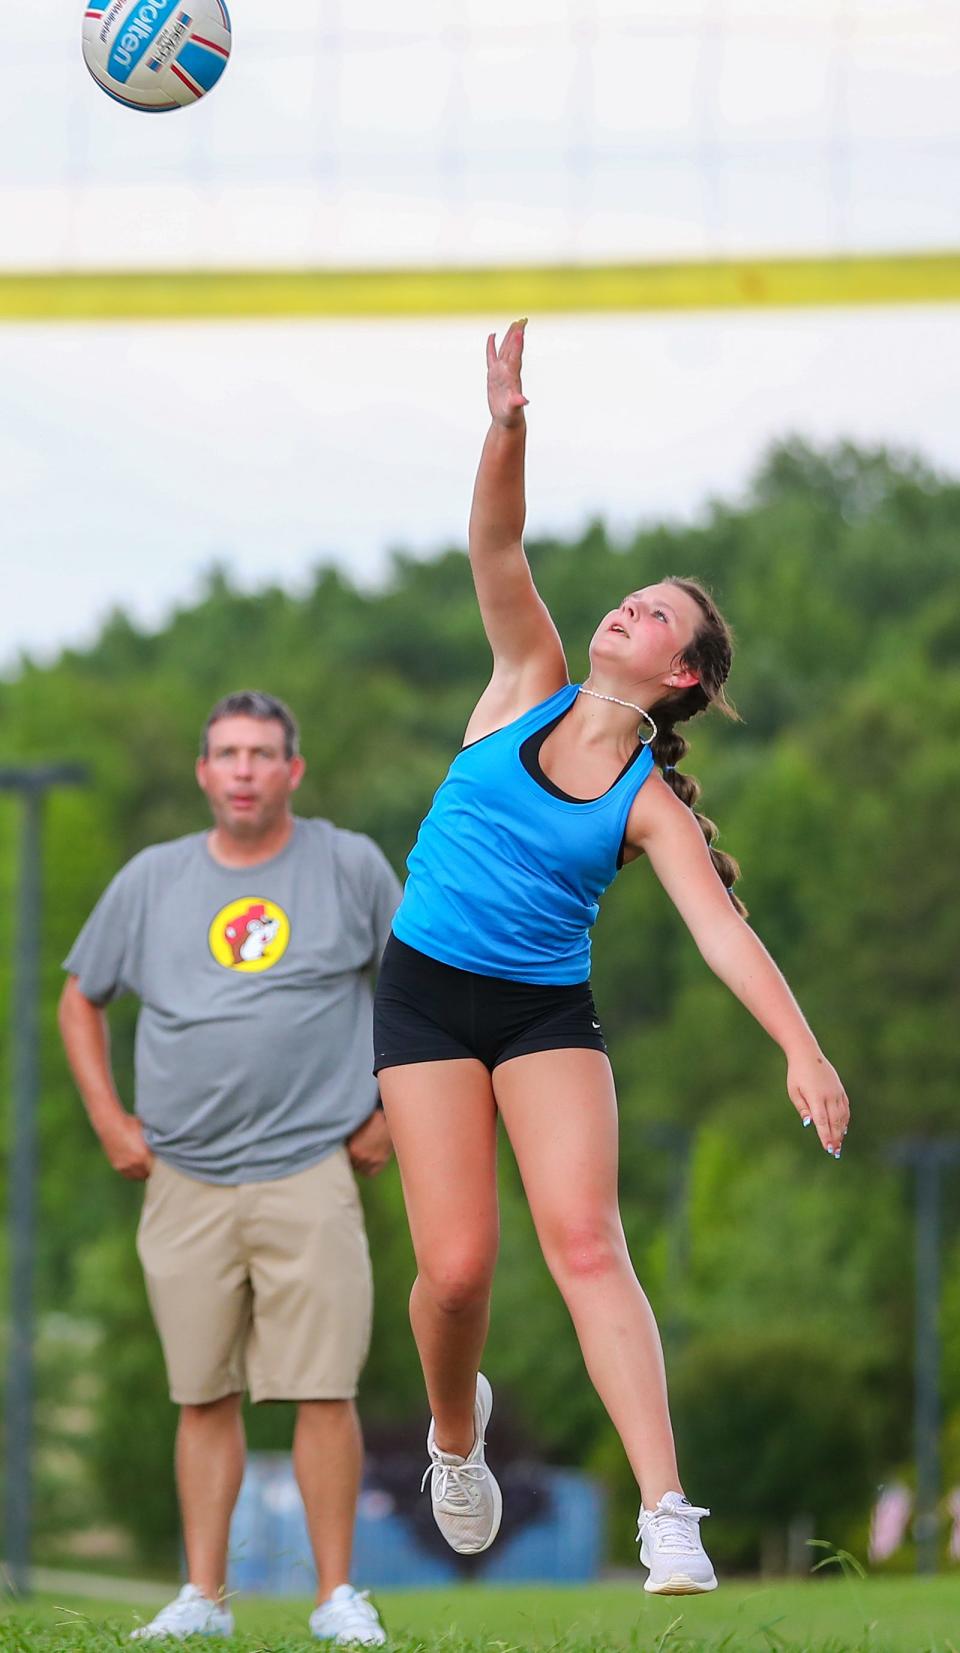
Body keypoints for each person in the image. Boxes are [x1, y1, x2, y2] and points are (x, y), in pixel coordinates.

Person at [373, 323, 851, 1596]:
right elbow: (498, 545)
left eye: (655, 614)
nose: (625, 607)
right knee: (456, 1272)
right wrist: (508, 428)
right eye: (633, 595)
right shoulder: (524, 677)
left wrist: (801, 1049)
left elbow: (720, 933)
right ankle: (454, 1435)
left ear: (680, 672)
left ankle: (667, 1514)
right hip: (423, 995)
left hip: (540, 1015)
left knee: (588, 1244)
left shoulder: (649, 804)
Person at [59, 690, 401, 1645]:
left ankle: (336, 1597)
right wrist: (110, 1122)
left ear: (293, 770)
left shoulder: (348, 865)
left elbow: (420, 988)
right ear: (203, 772)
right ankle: (203, 1597)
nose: (244, 768)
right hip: (184, 1173)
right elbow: (80, 1000)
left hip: (312, 1165)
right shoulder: (151, 880)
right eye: (227, 753)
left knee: (324, 1386)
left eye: (262, 753)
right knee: (199, 1389)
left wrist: (396, 1117)